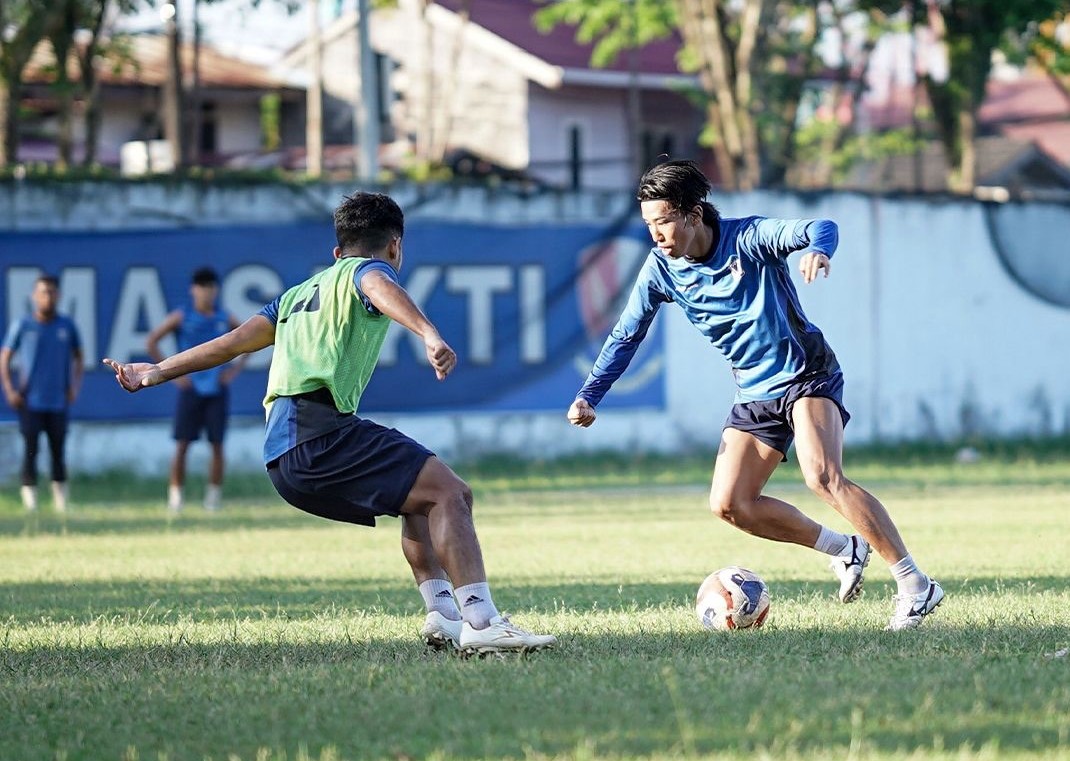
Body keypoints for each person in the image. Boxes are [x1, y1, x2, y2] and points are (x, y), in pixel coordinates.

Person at [104, 191, 555, 655]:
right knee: (451, 492)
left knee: (418, 499)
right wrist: (429, 332)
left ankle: (443, 614)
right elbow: (378, 284)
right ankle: (481, 622)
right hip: (318, 432)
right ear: (395, 247)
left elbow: (234, 342)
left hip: (282, 454)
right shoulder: (370, 271)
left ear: (336, 250)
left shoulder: (297, 295)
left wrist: (155, 371)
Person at [566, 159, 944, 631]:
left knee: (823, 477)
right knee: (730, 503)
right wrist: (590, 395)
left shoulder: (748, 238)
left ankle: (914, 584)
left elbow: (819, 226)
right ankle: (844, 549)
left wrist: (820, 251)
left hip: (807, 373)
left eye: (662, 221)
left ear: (692, 214)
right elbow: (626, 334)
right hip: (755, 391)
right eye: (648, 224)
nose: (655, 234)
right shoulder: (661, 270)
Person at [146, 268, 244, 512]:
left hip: (216, 390)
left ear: (216, 290)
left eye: (211, 287)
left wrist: (232, 372)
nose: (207, 293)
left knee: (218, 445)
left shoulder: (223, 316)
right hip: (190, 390)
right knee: (182, 444)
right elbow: (152, 341)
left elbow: (248, 341)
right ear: (193, 290)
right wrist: (172, 376)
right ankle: (176, 500)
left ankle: (213, 501)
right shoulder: (182, 316)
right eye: (202, 287)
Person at [1, 275, 84, 513]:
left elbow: (79, 357)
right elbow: (5, 357)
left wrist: (74, 387)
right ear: (34, 296)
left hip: (57, 400)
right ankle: (31, 504)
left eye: (51, 292)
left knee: (58, 451)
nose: (47, 297)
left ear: (58, 296)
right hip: (30, 400)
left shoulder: (66, 326)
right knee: (31, 450)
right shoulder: (23, 325)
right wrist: (10, 389)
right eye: (43, 292)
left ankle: (61, 504)